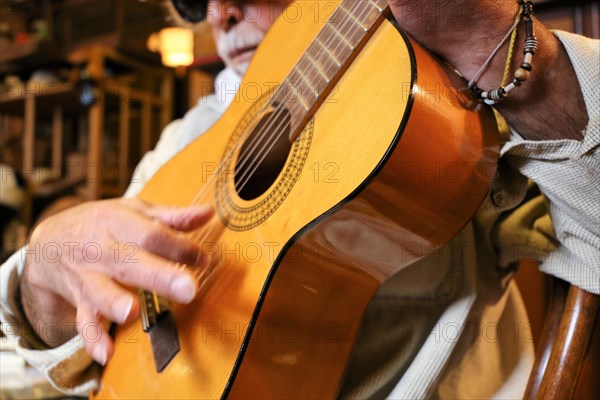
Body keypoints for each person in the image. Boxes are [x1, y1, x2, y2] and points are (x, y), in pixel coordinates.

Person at [1, 0, 598, 398]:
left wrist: (487, 40)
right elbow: (76, 343)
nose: (219, 10)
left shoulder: (434, 100)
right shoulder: (189, 134)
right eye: (192, 0)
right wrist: (46, 265)